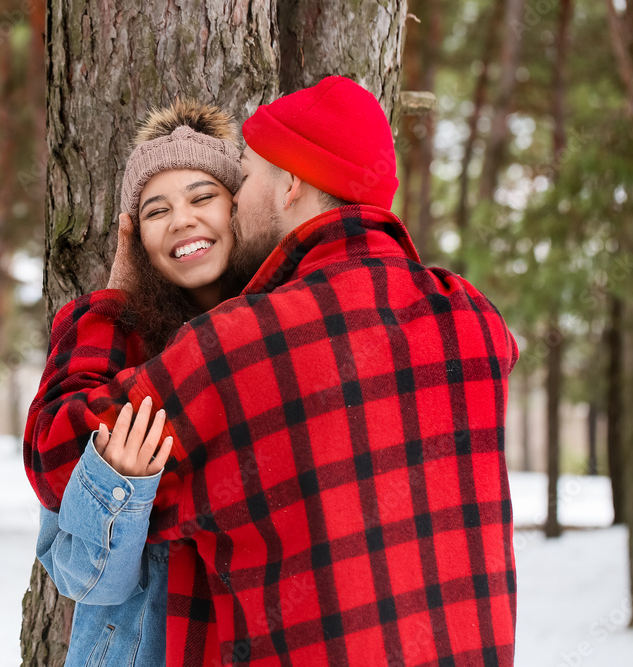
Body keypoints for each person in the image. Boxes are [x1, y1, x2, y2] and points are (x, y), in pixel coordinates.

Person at [26, 75, 519, 665]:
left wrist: (106, 305)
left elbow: (57, 446)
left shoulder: (239, 347)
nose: (229, 201)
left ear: (290, 185)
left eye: (246, 176)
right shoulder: (473, 318)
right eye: (159, 208)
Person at [32, 100, 247, 666]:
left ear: (239, 208)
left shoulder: (283, 335)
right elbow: (82, 578)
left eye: (203, 197)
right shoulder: (110, 358)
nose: (183, 220)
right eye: (157, 211)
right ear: (138, 238)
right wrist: (118, 486)